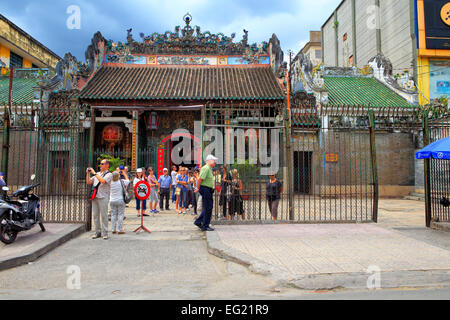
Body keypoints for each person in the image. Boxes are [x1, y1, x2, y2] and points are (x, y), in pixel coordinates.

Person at [86, 159, 113, 240]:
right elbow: (89, 182)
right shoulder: (97, 174)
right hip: (95, 197)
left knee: (104, 215)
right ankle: (97, 232)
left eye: (102, 164)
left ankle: (105, 233)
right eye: (100, 164)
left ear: (107, 165)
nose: (100, 165)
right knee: (95, 215)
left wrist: (94, 173)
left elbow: (103, 181)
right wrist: (87, 174)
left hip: (103, 197)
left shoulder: (109, 174)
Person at [194, 155, 218, 231]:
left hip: (208, 189)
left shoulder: (209, 169)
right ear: (209, 160)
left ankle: (199, 222)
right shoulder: (206, 168)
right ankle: (205, 225)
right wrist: (197, 188)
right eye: (214, 160)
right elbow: (200, 179)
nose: (215, 162)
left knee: (208, 207)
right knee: (208, 207)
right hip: (205, 189)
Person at [109, 170, 129, 235]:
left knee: (113, 215)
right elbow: (128, 181)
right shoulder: (121, 182)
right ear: (118, 176)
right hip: (120, 200)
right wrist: (124, 173)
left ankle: (113, 229)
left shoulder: (110, 183)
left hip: (112, 200)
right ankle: (120, 229)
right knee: (120, 214)